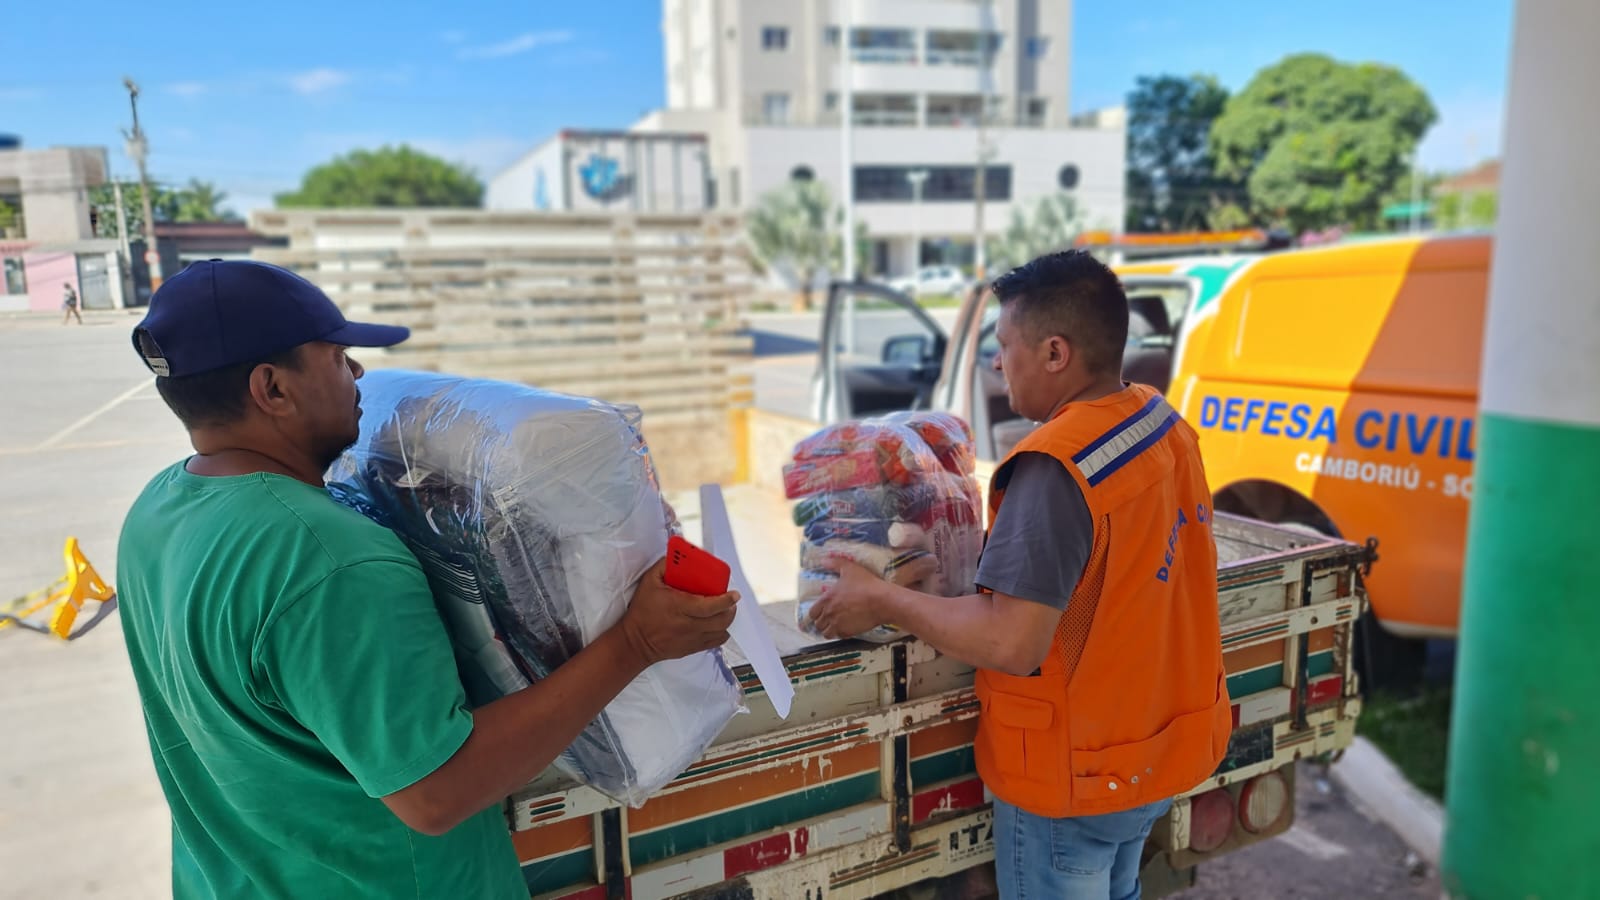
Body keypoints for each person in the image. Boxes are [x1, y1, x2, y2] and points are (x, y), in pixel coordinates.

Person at [117, 259, 739, 899]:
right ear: (272, 389)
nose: (357, 371)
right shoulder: (332, 561)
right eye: (336, 357)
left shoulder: (160, 509)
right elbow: (436, 793)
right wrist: (637, 642)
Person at [808, 251, 1231, 900]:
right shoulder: (1158, 420)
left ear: (1056, 353)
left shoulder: (1055, 467)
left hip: (1076, 782)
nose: (997, 364)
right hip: (1153, 757)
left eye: (1004, 347)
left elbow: (1013, 641)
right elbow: (1109, 565)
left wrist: (881, 599)